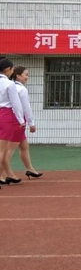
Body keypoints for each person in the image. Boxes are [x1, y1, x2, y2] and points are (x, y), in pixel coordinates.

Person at [9, 67, 43, 179]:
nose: (27, 77)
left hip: (11, 118)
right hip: (18, 120)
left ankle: (30, 169)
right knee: (9, 149)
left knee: (24, 146)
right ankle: (4, 174)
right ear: (18, 76)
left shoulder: (10, 86)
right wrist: (31, 123)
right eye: (26, 74)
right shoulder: (21, 89)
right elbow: (26, 107)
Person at [0, 58, 25, 188]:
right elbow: (16, 103)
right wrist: (21, 119)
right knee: (2, 150)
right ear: (8, 69)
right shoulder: (9, 84)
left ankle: (8, 174)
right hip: (5, 115)